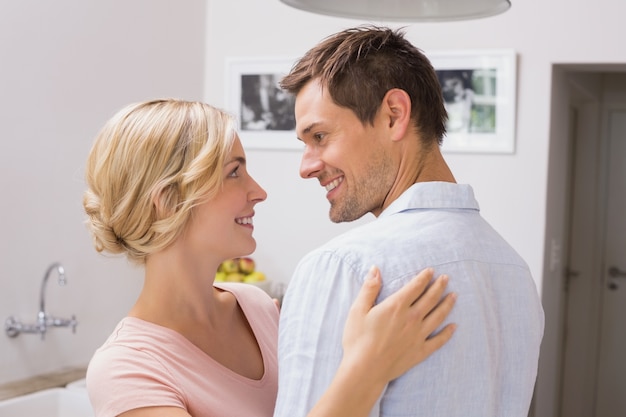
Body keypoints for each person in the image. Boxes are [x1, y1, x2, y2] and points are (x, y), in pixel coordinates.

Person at [82, 99, 457, 417]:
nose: (258, 191)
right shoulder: (126, 370)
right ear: (168, 202)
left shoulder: (257, 307)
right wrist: (368, 368)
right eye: (233, 173)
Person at [275, 25, 545, 417]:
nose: (306, 167)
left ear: (394, 115)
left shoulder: (344, 268)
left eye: (319, 136)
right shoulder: (514, 270)